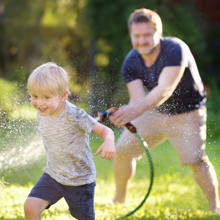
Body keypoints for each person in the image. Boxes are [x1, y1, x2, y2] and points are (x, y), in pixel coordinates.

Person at [110, 8, 220, 214]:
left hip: (188, 113)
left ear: (158, 33)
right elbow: (138, 99)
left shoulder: (175, 49)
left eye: (147, 35)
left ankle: (216, 208)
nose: (141, 40)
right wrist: (128, 112)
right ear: (131, 35)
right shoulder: (131, 61)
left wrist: (134, 110)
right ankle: (119, 199)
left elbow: (164, 90)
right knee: (123, 150)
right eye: (136, 36)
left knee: (196, 160)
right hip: (155, 112)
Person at [24, 62, 116, 220]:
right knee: (30, 206)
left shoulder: (76, 115)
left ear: (63, 96)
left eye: (46, 97)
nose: (39, 103)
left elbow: (105, 130)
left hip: (79, 180)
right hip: (54, 174)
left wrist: (109, 142)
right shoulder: (42, 112)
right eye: (35, 96)